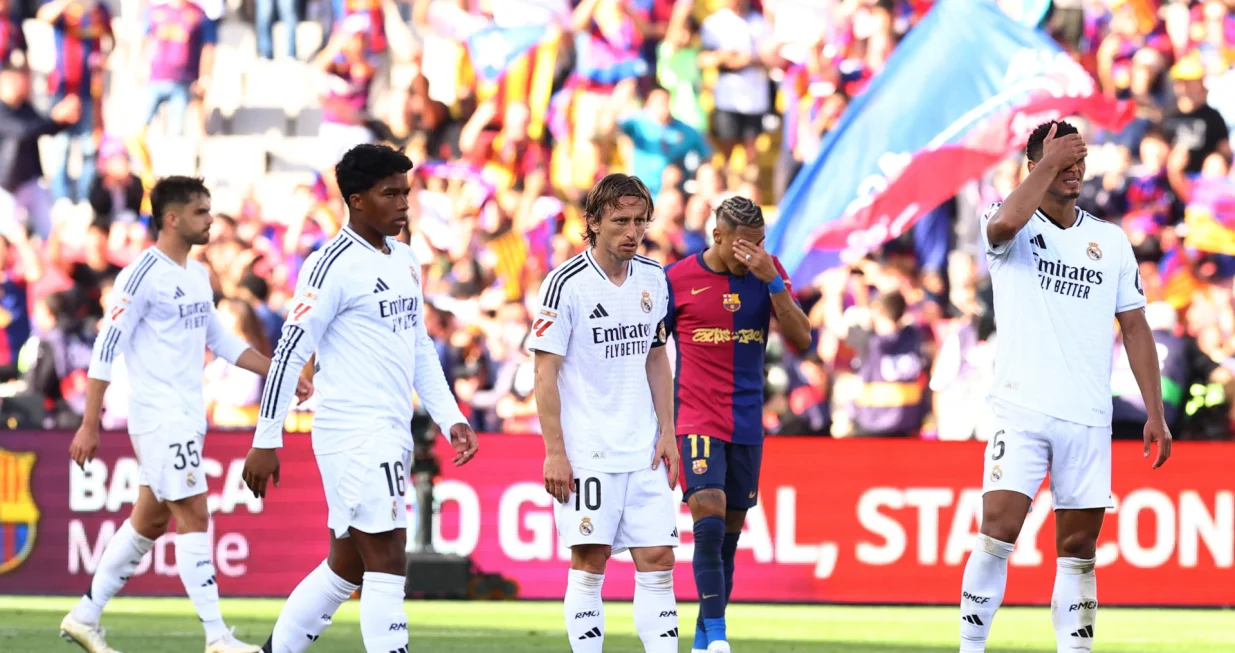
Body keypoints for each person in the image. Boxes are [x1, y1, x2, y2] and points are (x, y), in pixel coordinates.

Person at [239, 144, 479, 653]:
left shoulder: (407, 260)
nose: (402, 203)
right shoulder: (330, 265)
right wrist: (267, 437)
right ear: (356, 200)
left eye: (405, 192)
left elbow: (417, 347)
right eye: (389, 193)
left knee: (346, 565)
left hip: (390, 429)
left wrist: (450, 414)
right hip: (352, 432)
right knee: (390, 557)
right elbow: (287, 355)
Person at [61, 176, 313, 653]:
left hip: (187, 415)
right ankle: (217, 637)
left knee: (150, 521)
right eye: (201, 212)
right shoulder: (140, 276)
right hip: (159, 416)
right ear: (172, 218)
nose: (210, 220)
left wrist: (279, 369)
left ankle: (85, 615)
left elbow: (221, 342)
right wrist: (89, 423)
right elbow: (104, 349)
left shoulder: (197, 275)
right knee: (195, 512)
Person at [959, 120, 1171, 653]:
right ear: (1036, 167)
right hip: (1020, 408)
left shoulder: (1110, 240)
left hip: (1087, 414)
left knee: (1078, 548)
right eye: (1062, 162)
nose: (1075, 172)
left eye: (1080, 163)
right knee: (998, 531)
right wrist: (1049, 159)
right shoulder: (1008, 223)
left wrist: (1155, 411)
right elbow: (1005, 221)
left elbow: (1136, 326)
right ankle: (970, 648)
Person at [531, 173, 682, 653]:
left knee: (659, 558)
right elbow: (544, 373)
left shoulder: (654, 278)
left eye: (640, 220)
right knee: (590, 559)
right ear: (592, 223)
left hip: (645, 448)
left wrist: (669, 432)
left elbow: (657, 356)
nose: (632, 231)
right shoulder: (564, 284)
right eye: (620, 220)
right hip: (589, 451)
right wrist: (555, 452)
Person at [660, 195, 811, 653]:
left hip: (746, 419)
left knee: (728, 534)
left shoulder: (769, 271)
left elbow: (803, 339)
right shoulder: (678, 279)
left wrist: (774, 285)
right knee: (706, 511)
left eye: (758, 244)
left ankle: (704, 639)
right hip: (696, 414)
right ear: (717, 236)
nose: (750, 254)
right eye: (741, 246)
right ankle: (721, 639)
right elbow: (648, 348)